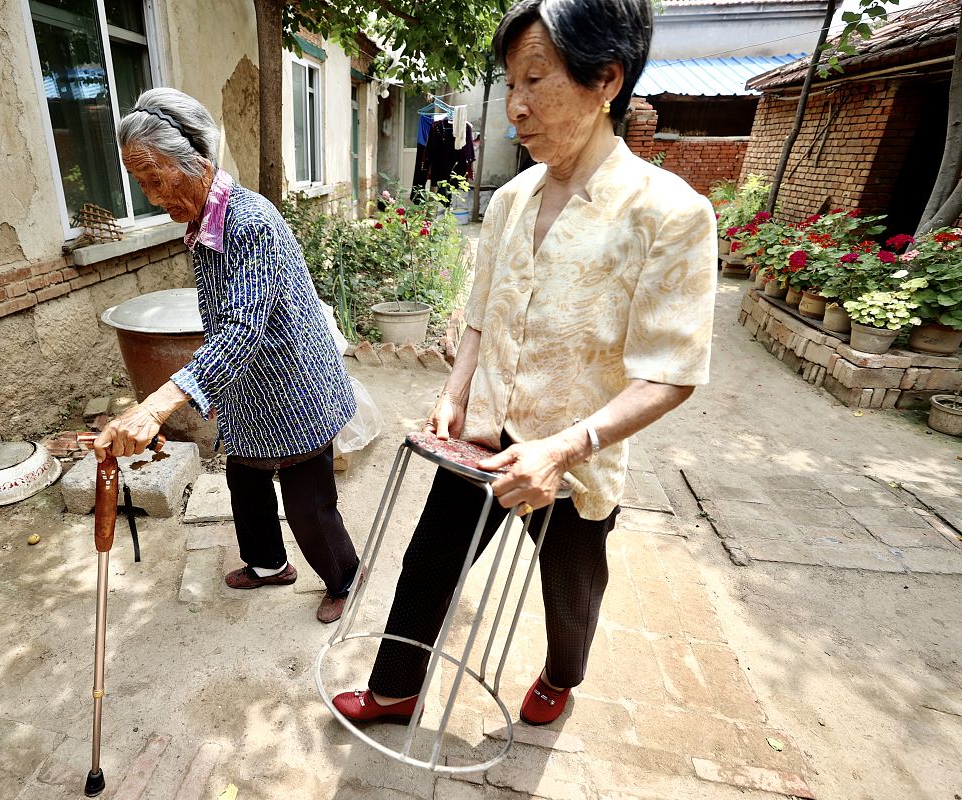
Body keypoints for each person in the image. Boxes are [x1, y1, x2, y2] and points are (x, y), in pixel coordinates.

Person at [332, 0, 717, 726]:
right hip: (483, 430)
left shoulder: (669, 212)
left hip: (574, 458)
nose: (515, 108)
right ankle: (394, 688)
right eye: (509, 84)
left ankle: (562, 676)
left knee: (570, 588)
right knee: (430, 560)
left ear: (606, 78)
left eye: (535, 81)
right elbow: (482, 313)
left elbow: (670, 371)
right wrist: (455, 392)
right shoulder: (510, 198)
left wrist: (565, 448)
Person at [94, 88, 360, 624]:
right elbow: (227, 317)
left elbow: (242, 326)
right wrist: (216, 388)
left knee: (309, 505)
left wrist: (155, 406)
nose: (149, 195)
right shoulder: (203, 220)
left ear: (198, 160)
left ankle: (342, 578)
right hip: (246, 385)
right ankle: (267, 564)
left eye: (155, 178)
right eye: (140, 182)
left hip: (294, 383)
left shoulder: (248, 222)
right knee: (245, 481)